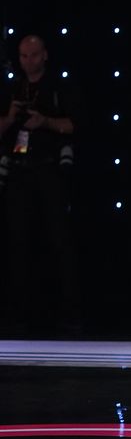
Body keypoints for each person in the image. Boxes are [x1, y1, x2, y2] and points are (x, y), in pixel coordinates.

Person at [0, 34, 78, 333]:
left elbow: (75, 124)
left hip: (50, 172)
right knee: (18, 243)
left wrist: (44, 121)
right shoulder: (12, 88)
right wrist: (11, 117)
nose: (28, 61)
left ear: (44, 55)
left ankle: (68, 315)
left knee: (58, 241)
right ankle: (20, 315)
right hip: (19, 171)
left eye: (33, 55)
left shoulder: (59, 87)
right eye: (23, 56)